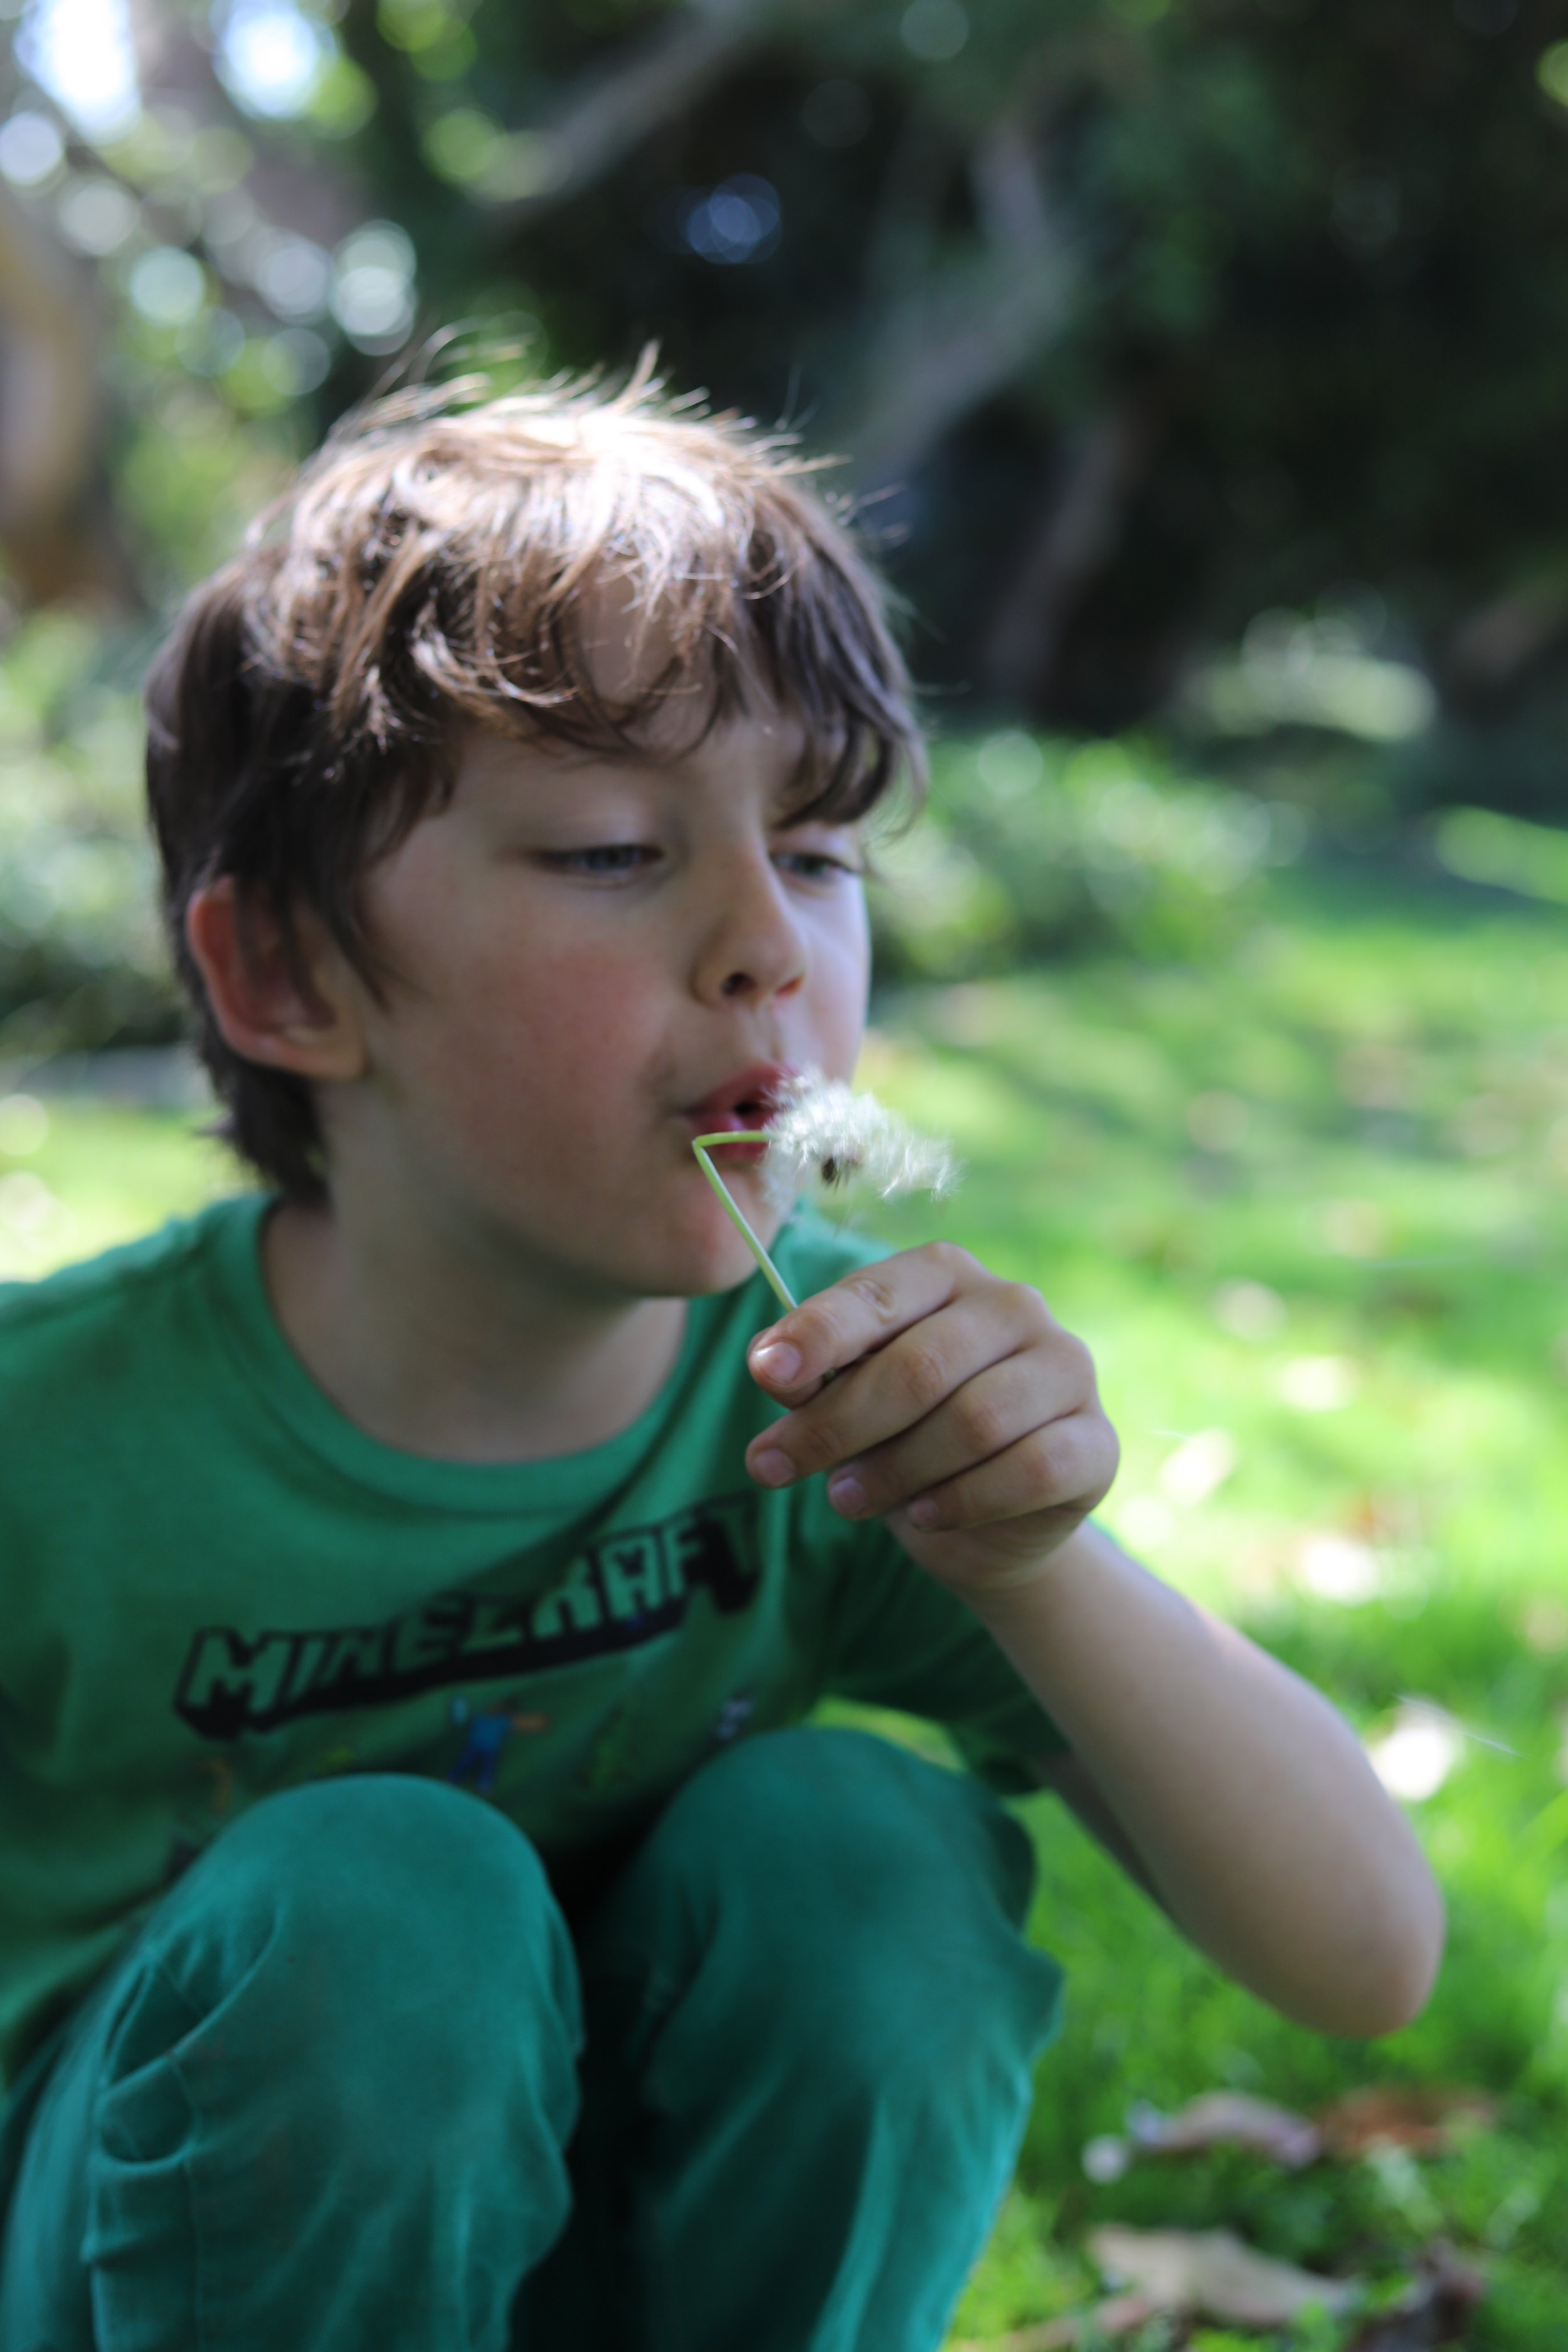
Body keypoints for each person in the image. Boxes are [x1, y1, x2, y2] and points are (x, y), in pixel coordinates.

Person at [0, 365, 1444, 2352]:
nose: (768, 943)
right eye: (611, 848)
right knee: (381, 1908)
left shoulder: (830, 1405)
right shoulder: (50, 1441)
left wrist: (1027, 1556)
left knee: (863, 1849)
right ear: (290, 977)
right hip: (148, 2274)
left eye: (824, 847)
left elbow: (1360, 1953)